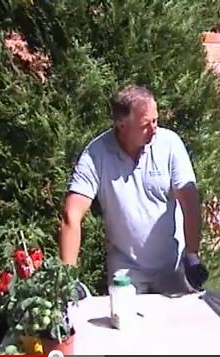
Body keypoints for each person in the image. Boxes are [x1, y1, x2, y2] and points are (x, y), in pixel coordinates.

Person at [58, 84, 208, 295]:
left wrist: (192, 256)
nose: (154, 128)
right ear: (121, 125)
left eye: (156, 120)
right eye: (146, 124)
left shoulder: (169, 144)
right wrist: (67, 279)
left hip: (172, 266)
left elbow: (189, 199)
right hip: (126, 272)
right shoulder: (96, 155)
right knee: (124, 326)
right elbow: (71, 215)